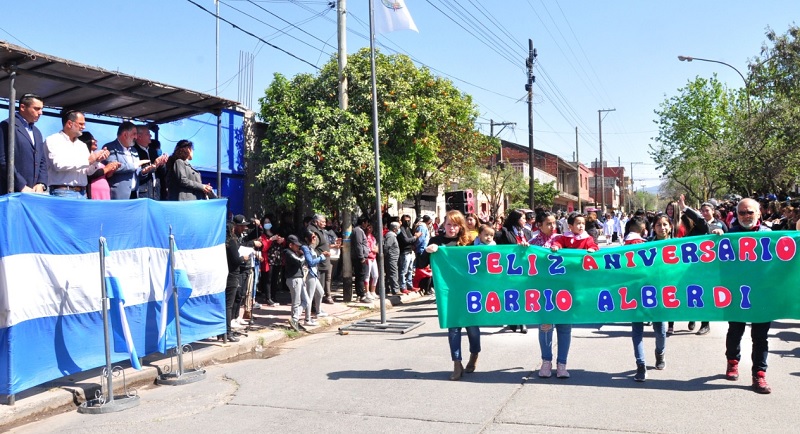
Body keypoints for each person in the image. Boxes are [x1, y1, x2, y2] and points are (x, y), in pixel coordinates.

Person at [420, 210, 479, 381]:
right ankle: (456, 362)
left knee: (473, 328)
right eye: (448, 224)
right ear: (443, 225)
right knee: (453, 329)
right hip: (448, 292)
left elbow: (486, 257)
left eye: (455, 225)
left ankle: (474, 354)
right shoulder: (436, 241)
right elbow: (421, 263)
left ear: (461, 227)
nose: (451, 228)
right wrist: (428, 251)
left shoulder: (469, 242)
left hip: (469, 291)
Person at [724, 198, 772, 394]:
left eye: (750, 212)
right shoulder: (730, 235)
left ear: (759, 214)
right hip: (737, 294)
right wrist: (717, 238)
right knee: (735, 331)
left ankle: (759, 375)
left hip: (762, 295)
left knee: (760, 336)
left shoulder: (770, 235)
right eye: (742, 213)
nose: (745, 216)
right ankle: (732, 361)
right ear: (736, 215)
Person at [545, 212, 598, 378]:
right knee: (546, 324)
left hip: (573, 286)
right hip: (555, 285)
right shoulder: (563, 238)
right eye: (577, 223)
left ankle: (562, 364)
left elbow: (595, 248)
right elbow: (557, 244)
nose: (581, 226)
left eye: (583, 223)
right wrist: (556, 248)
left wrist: (591, 250)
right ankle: (546, 362)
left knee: (565, 325)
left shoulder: (587, 238)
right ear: (570, 225)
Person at [627, 215, 665, 381]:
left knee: (660, 330)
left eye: (665, 224)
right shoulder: (640, 244)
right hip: (636, 292)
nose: (662, 227)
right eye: (658, 225)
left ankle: (660, 353)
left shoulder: (677, 243)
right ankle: (640, 365)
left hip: (659, 293)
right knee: (637, 331)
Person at [45, 110, 108, 199]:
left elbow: (88, 171)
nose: (84, 127)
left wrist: (97, 161)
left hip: (82, 193)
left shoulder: (81, 145)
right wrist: (89, 160)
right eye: (81, 124)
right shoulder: (53, 140)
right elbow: (58, 165)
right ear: (70, 123)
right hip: (63, 192)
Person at [494, 209, 533, 333]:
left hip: (525, 268)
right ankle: (512, 319)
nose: (525, 220)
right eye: (522, 218)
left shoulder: (527, 232)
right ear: (516, 219)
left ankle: (522, 320)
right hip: (510, 268)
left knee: (523, 294)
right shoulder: (504, 232)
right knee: (511, 294)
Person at [0, 93, 48, 193]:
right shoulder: (7, 126)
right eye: (36, 109)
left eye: (41, 109)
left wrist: (41, 183)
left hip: (33, 192)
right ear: (22, 107)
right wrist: (21, 185)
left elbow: (42, 160)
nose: (41, 113)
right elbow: (3, 160)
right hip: (12, 192)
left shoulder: (37, 132)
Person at [103, 121, 148, 200]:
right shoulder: (110, 147)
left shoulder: (134, 150)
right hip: (119, 195)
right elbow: (113, 166)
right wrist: (134, 165)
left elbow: (137, 171)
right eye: (134, 134)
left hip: (135, 194)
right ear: (125, 134)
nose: (136, 137)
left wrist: (144, 171)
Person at [300, 229, 329, 327]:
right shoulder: (305, 248)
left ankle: (318, 311)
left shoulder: (310, 248)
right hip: (309, 274)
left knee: (320, 292)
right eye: (313, 236)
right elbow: (310, 262)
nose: (315, 238)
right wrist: (321, 257)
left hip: (314, 274)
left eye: (315, 236)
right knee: (309, 297)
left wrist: (321, 255)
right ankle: (307, 319)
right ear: (306, 238)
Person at [80, 132, 120, 200]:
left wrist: (111, 171)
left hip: (104, 192)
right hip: (94, 191)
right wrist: (107, 168)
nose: (96, 141)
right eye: (92, 139)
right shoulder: (85, 157)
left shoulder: (98, 155)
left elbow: (104, 176)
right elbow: (89, 174)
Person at [131, 124, 167, 199]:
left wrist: (162, 164)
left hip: (156, 191)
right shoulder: (133, 151)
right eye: (147, 134)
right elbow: (137, 172)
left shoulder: (153, 151)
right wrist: (153, 165)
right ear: (139, 136)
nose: (150, 136)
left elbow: (162, 173)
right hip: (142, 191)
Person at [308, 214, 334, 304]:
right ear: (316, 222)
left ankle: (317, 307)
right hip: (319, 264)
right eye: (322, 222)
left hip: (323, 263)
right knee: (319, 288)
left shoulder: (320, 231)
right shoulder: (313, 231)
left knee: (321, 287)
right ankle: (315, 307)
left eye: (325, 222)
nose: (325, 224)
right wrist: (321, 254)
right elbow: (311, 248)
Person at [257, 216, 283, 306]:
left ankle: (273, 296)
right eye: (265, 222)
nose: (267, 224)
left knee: (275, 278)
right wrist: (270, 240)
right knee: (268, 278)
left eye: (269, 222)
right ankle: (268, 298)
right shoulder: (262, 235)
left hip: (277, 258)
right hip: (268, 259)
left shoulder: (274, 233)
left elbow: (282, 244)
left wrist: (282, 241)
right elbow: (264, 247)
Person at [284, 234, 307, 332]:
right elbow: (299, 262)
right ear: (290, 245)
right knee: (296, 302)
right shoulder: (288, 252)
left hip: (299, 278)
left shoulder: (294, 252)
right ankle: (294, 320)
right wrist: (303, 255)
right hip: (294, 279)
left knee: (306, 301)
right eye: (296, 245)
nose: (298, 247)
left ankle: (295, 319)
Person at [350, 215, 371, 303]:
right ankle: (361, 295)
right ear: (363, 223)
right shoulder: (358, 231)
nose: (367, 225)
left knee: (361, 276)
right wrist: (361, 257)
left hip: (361, 256)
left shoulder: (359, 230)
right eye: (366, 223)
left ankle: (361, 294)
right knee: (360, 276)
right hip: (359, 258)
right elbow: (358, 245)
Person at [397, 214, 418, 295]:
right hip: (404, 252)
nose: (408, 222)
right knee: (403, 270)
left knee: (410, 270)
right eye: (406, 221)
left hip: (410, 251)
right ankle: (403, 287)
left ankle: (409, 285)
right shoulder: (402, 229)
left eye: (409, 220)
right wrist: (415, 237)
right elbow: (406, 240)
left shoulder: (408, 229)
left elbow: (411, 238)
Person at [383, 221, 401, 295]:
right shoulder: (391, 235)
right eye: (398, 228)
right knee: (393, 273)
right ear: (395, 229)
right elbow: (387, 246)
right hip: (391, 257)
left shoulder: (392, 235)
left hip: (393, 257)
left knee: (390, 273)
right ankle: (395, 290)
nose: (399, 230)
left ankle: (388, 289)